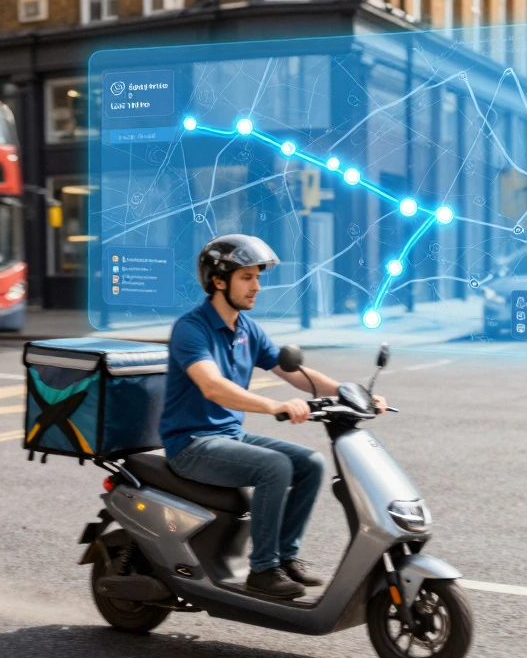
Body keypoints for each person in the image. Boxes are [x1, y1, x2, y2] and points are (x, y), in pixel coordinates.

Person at [160, 235, 386, 599]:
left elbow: (296, 372)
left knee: (310, 463)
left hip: (228, 436)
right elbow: (212, 386)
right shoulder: (191, 329)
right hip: (192, 443)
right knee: (275, 467)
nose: (257, 287)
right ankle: (263, 571)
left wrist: (352, 392)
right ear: (218, 281)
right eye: (246, 278)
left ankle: (285, 556)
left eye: (257, 277)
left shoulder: (247, 329)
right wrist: (273, 406)